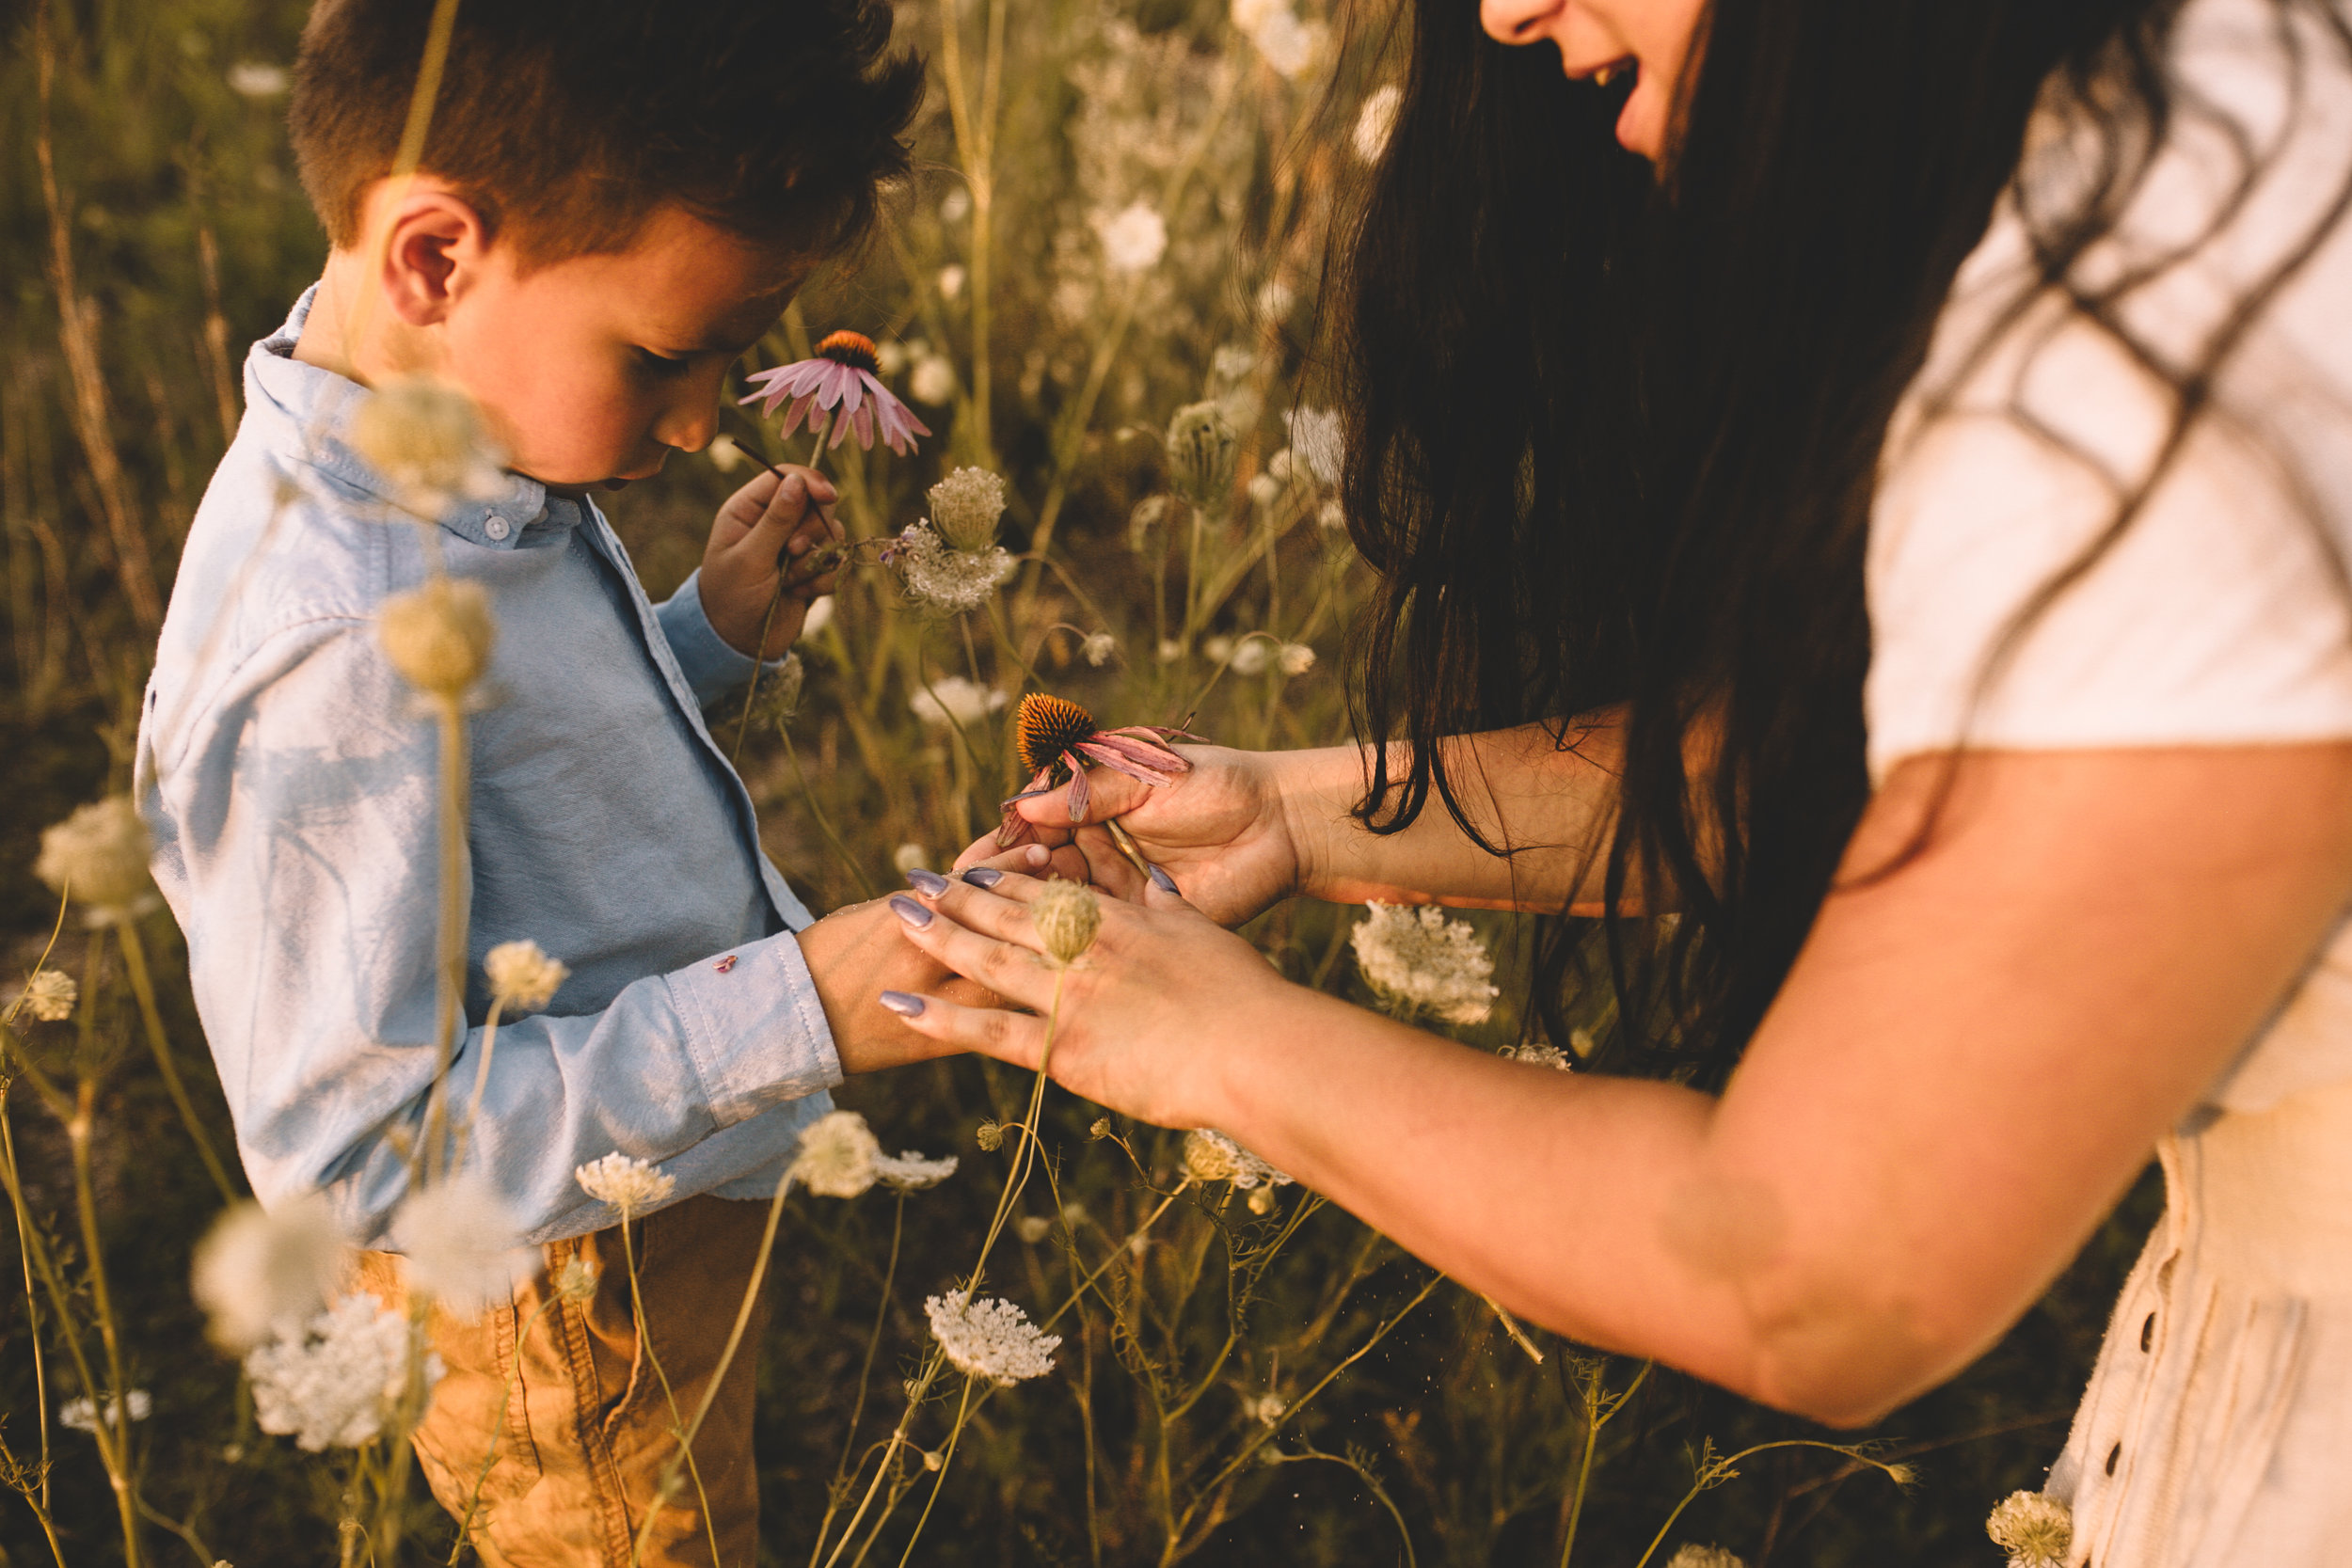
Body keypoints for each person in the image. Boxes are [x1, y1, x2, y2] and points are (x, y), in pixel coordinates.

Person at [882, 0, 2352, 1560]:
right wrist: (1295, 813)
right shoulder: (2208, 133)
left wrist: (1207, 1037)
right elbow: (1959, 811)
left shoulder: (2140, 377)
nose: (1507, 10)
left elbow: (1819, 1271)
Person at [133, 2, 1055, 1560]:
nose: (702, 421)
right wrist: (800, 1009)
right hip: (553, 1302)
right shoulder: (330, 643)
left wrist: (707, 638)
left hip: (643, 1208)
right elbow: (363, 1154)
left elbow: (501, 791)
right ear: (436, 257)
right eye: (665, 354)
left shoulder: (468, 452)